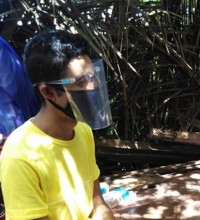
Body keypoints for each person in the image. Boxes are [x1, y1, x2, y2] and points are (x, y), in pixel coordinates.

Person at [0, 29, 114, 219]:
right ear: (49, 92)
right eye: (81, 82)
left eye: (92, 78)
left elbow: (97, 205)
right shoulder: (20, 157)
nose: (92, 87)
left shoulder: (83, 132)